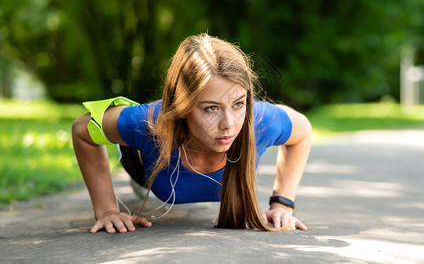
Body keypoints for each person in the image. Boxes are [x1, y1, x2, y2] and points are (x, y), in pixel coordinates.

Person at [72, 33, 312, 234]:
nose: (229, 124)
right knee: (139, 130)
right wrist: (107, 210)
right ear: (183, 106)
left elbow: (302, 132)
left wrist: (283, 204)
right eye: (211, 108)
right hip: (144, 168)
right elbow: (82, 129)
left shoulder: (259, 121)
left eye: (238, 104)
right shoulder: (147, 124)